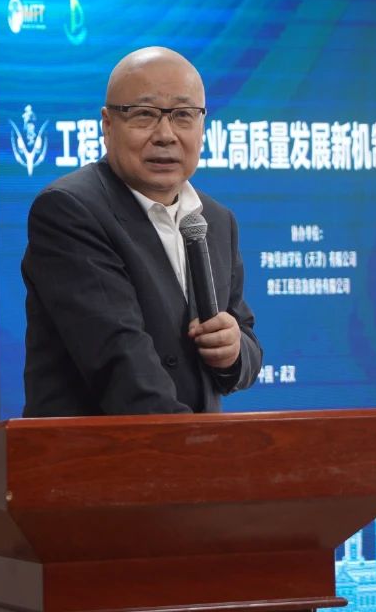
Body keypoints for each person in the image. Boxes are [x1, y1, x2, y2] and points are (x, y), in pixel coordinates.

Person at [21, 46, 262, 416]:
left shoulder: (215, 220)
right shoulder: (70, 209)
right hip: (103, 449)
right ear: (107, 125)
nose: (165, 135)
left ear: (202, 126)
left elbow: (245, 341)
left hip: (191, 445)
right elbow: (121, 364)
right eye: (144, 114)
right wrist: (201, 446)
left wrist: (233, 351)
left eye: (183, 115)